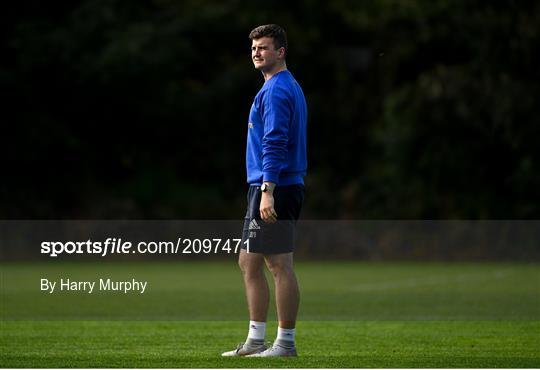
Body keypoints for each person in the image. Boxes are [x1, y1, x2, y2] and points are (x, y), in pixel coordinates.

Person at [222, 24, 308, 358]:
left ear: (281, 52)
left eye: (264, 47)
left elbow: (275, 141)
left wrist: (268, 189)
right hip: (270, 185)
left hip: (275, 187)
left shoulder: (277, 90)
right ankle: (256, 340)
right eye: (254, 48)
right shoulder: (282, 86)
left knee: (278, 265)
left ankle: (285, 343)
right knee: (248, 261)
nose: (257, 52)